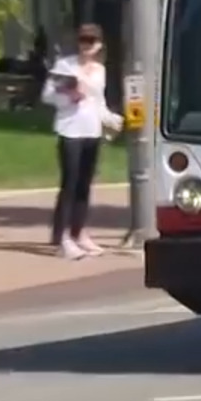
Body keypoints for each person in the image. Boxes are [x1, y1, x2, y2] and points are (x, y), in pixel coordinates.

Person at [42, 24, 119, 260]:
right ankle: (62, 238)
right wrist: (69, 97)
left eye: (92, 41)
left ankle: (79, 232)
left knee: (85, 185)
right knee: (70, 184)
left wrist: (111, 119)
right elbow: (48, 96)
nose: (87, 45)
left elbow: (98, 102)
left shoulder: (99, 71)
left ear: (99, 45)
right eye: (84, 40)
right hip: (70, 130)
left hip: (91, 131)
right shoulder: (65, 66)